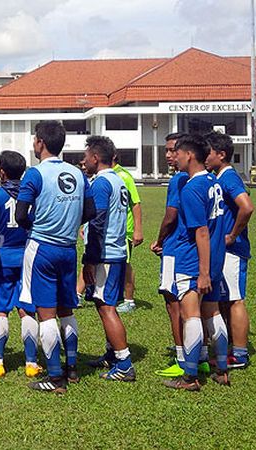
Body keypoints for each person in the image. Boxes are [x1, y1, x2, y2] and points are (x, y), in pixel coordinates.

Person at [16, 120, 93, 393]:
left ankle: (55, 376)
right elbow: (91, 212)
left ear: (40, 142)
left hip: (43, 249)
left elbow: (20, 215)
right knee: (66, 310)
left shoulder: (34, 174)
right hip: (68, 249)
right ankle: (72, 368)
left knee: (46, 314)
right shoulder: (78, 173)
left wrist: (38, 227)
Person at [163, 134, 230, 391]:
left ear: (189, 155)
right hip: (214, 258)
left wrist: (202, 272)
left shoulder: (191, 188)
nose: (174, 158)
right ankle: (222, 369)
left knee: (190, 315)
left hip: (194, 260)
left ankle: (190, 377)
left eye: (177, 153)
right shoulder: (214, 182)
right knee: (212, 311)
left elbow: (200, 231)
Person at [80, 136, 136, 381]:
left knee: (106, 307)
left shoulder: (102, 183)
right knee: (104, 304)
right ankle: (112, 354)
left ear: (95, 158)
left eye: (85, 157)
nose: (83, 161)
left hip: (107, 254)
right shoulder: (116, 179)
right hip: (115, 251)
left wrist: (90, 258)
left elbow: (99, 220)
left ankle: (124, 363)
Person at [0, 150, 42, 378]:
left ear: (1, 172)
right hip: (27, 255)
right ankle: (31, 363)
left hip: (2, 258)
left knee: (0, 311)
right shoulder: (32, 196)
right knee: (27, 310)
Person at [205, 131, 254, 369]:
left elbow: (246, 207)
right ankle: (231, 346)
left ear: (221, 155)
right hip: (224, 249)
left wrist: (232, 235)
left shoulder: (228, 177)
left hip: (233, 250)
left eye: (209, 152)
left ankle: (240, 354)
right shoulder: (220, 177)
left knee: (234, 300)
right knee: (225, 299)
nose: (205, 157)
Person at [150, 133, 196, 378]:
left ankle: (182, 357)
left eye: (171, 150)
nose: (168, 155)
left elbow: (171, 215)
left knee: (173, 302)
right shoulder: (201, 178)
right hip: (192, 248)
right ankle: (199, 353)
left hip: (176, 249)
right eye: (166, 150)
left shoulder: (179, 180)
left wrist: (160, 239)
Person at [113, 154, 144, 313]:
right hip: (112, 229)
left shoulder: (124, 176)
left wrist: (138, 229)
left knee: (125, 265)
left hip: (124, 230)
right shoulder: (107, 174)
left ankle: (129, 300)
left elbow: (136, 203)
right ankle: (116, 295)